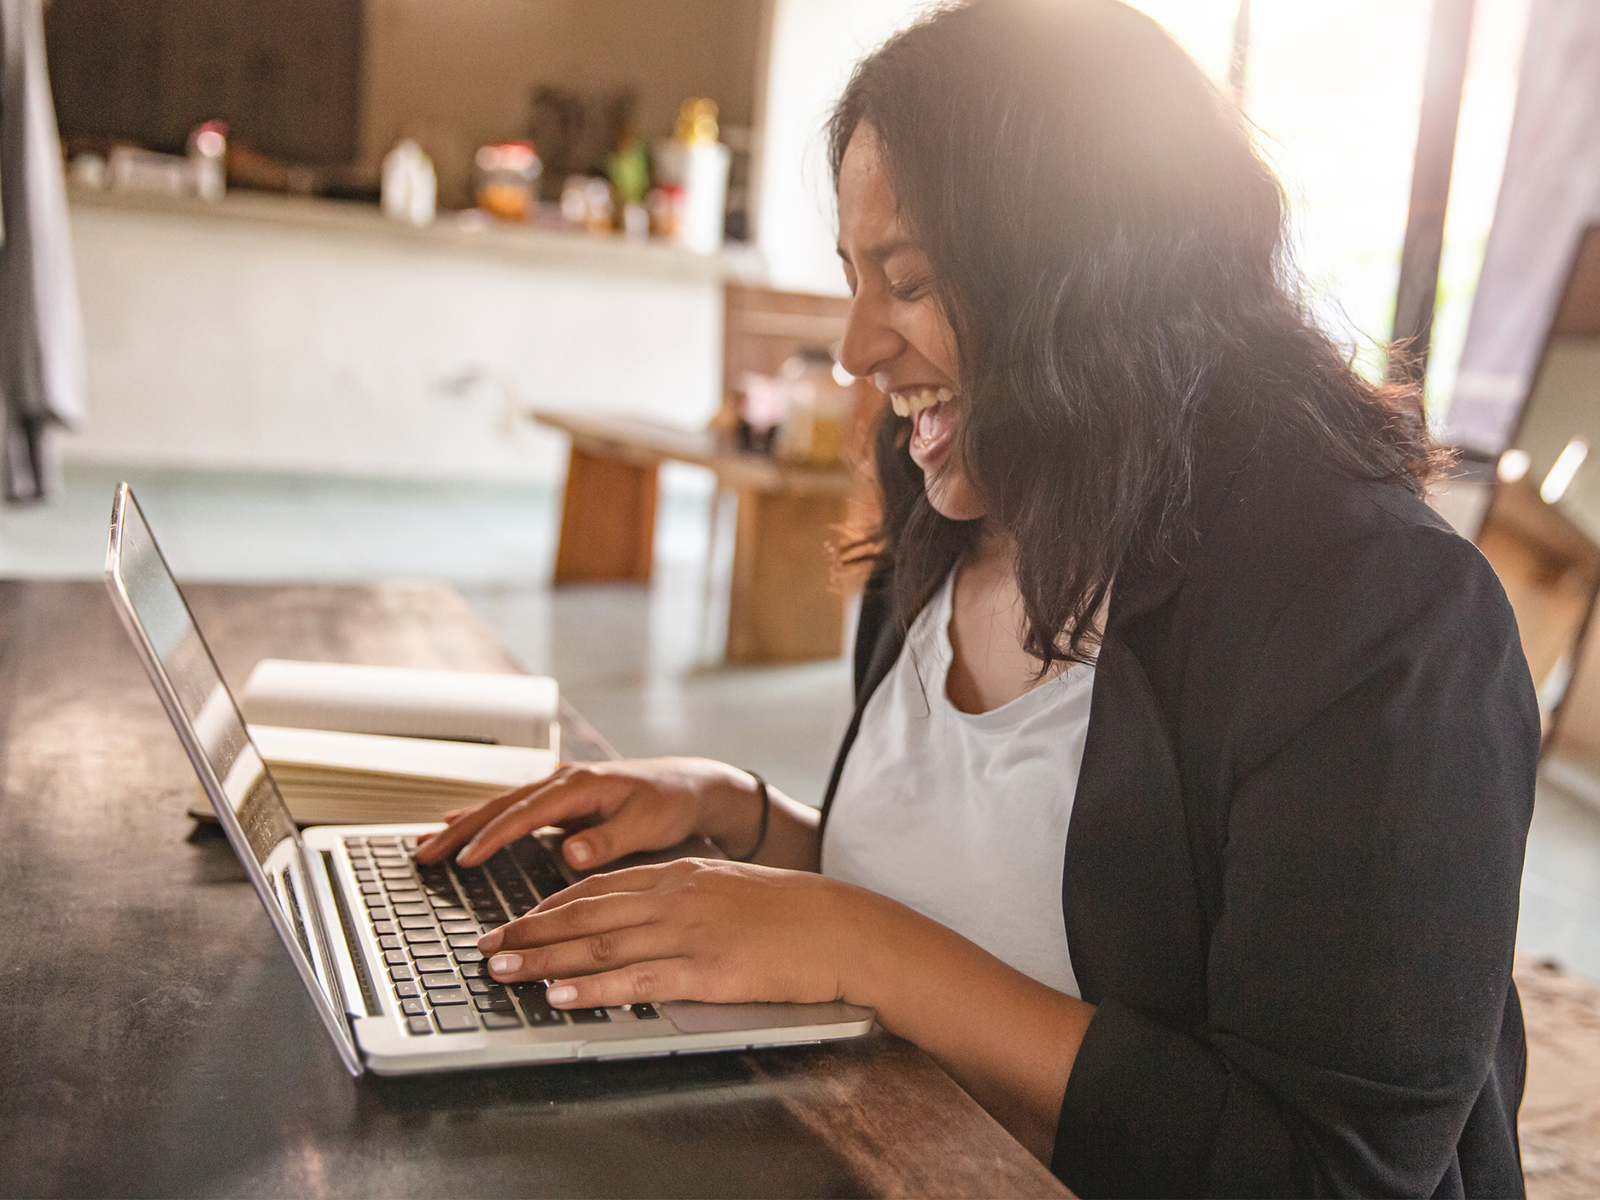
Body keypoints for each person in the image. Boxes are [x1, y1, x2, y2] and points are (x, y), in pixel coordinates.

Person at [417, 2, 1539, 1195]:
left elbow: (1328, 1170)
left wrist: (853, 946)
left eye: (905, 282)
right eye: (853, 279)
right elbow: (1012, 890)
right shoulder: (956, 515)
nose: (853, 347)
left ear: (1095, 275)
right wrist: (743, 821)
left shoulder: (1383, 619)